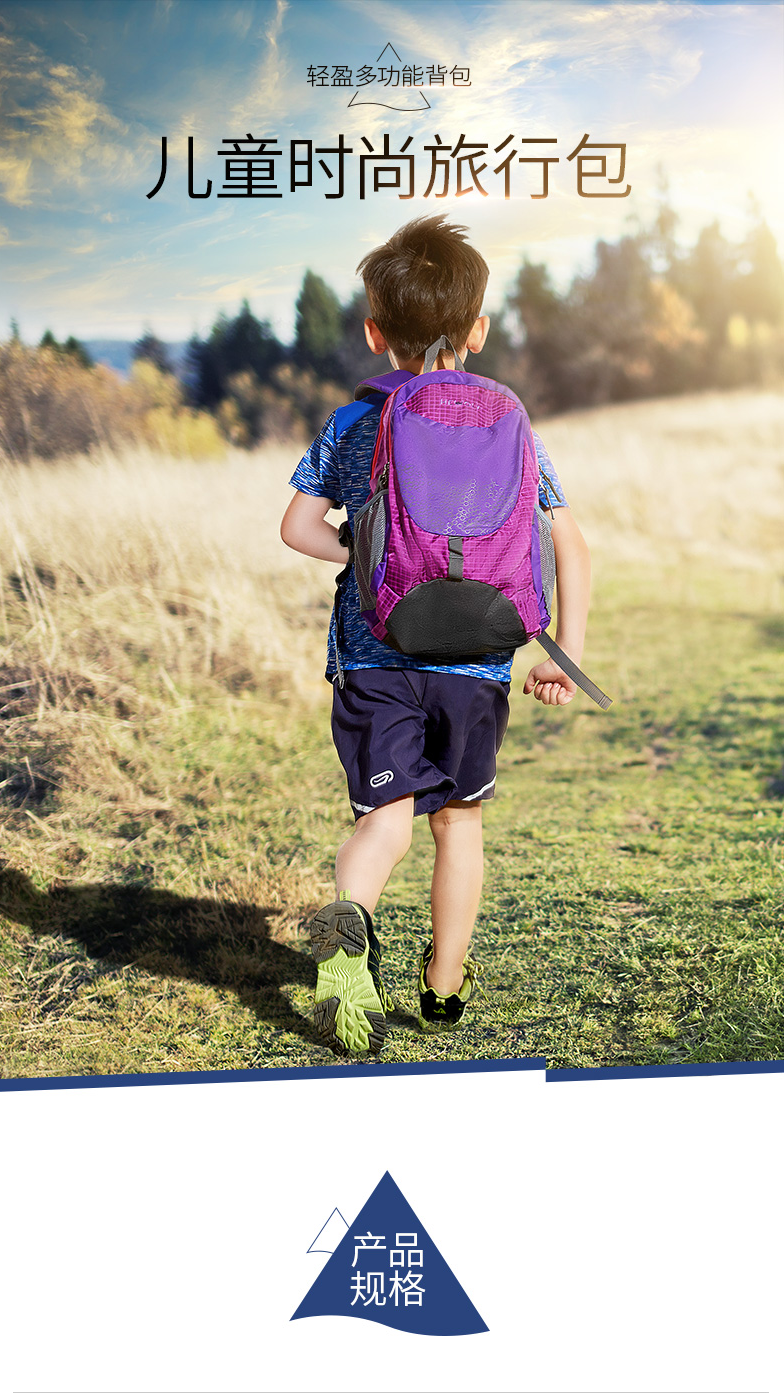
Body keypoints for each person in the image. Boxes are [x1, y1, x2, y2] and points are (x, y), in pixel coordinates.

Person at [280, 215, 591, 1057]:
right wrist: (570, 647)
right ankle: (444, 988)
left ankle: (353, 927)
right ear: (479, 329)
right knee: (460, 822)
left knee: (387, 814)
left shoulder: (352, 424)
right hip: (479, 659)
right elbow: (568, 542)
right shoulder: (510, 423)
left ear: (376, 333)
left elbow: (296, 527)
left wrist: (365, 552)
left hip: (377, 654)